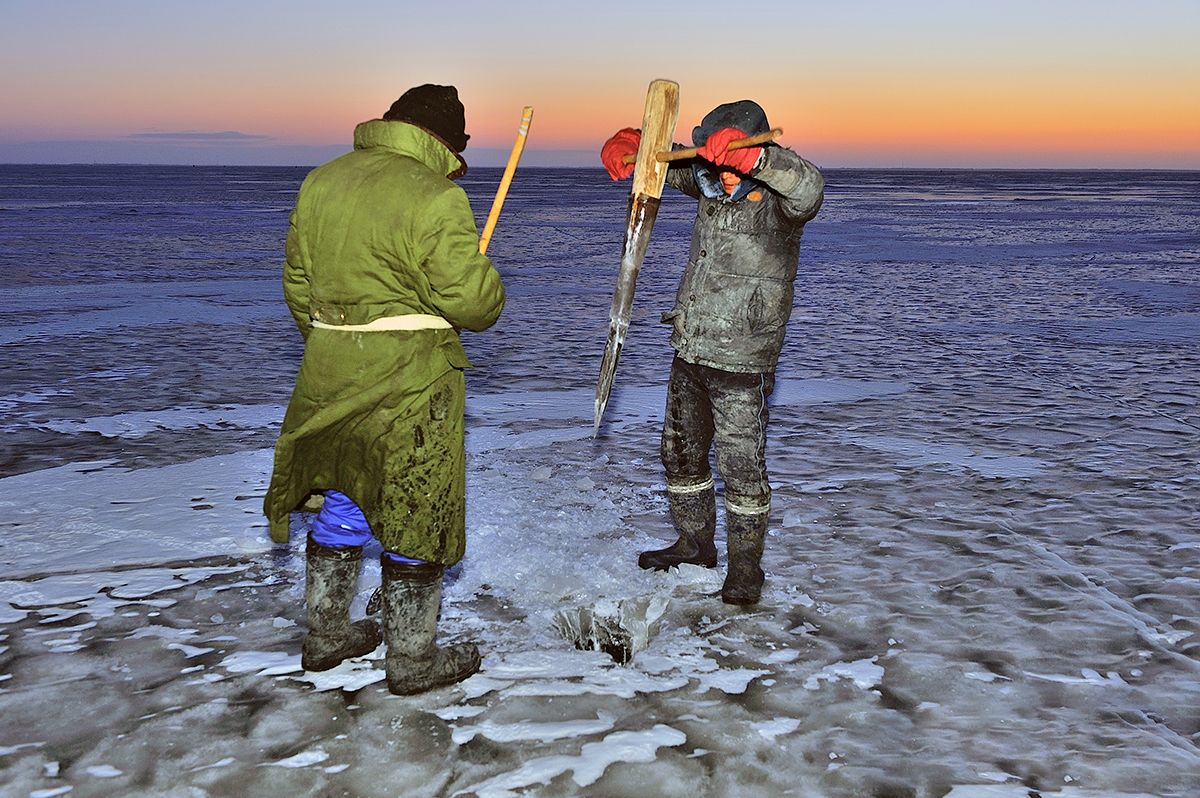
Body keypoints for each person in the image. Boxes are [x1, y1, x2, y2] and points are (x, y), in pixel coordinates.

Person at [263, 84, 505, 694]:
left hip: (328, 368)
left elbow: (298, 284)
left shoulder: (321, 181)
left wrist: (336, 342)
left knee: (343, 488)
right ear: (445, 143)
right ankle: (412, 661)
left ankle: (325, 638)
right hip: (410, 379)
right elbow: (473, 305)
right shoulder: (438, 195)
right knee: (418, 507)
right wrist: (485, 277)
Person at [600, 100, 823, 605]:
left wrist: (758, 161)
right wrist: (633, 143)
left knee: (741, 467)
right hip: (691, 345)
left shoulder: (780, 200)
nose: (723, 174)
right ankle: (695, 543)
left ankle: (746, 569)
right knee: (679, 455)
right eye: (717, 162)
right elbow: (664, 163)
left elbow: (809, 185)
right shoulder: (705, 178)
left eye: (733, 162)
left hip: (745, 357)